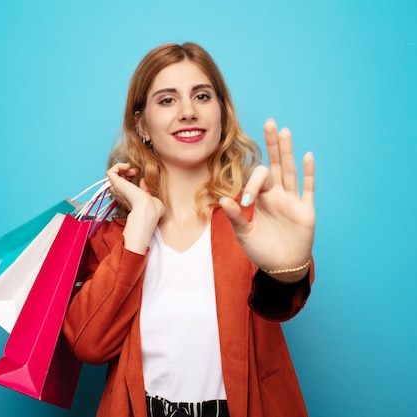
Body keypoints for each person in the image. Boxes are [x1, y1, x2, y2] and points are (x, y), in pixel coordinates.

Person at [63, 42, 316, 417]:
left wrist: (289, 271)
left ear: (222, 116)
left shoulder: (251, 221)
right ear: (141, 125)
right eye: (167, 100)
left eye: (201, 96)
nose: (187, 112)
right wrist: (140, 226)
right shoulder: (115, 237)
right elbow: (89, 346)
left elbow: (277, 305)